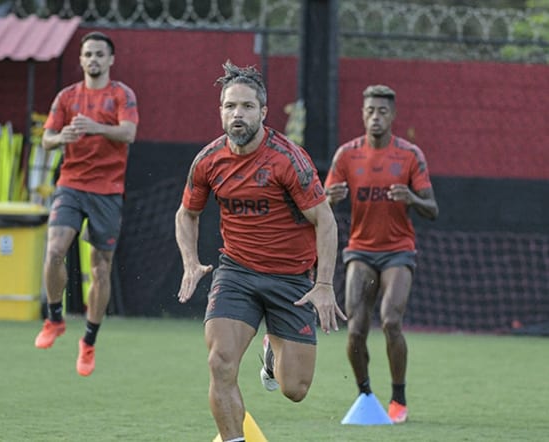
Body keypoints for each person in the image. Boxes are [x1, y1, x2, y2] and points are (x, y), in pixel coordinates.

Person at [175, 61, 345, 442]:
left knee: (295, 390)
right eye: (230, 106)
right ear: (220, 111)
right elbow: (187, 214)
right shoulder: (207, 160)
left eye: (247, 107)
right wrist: (190, 262)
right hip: (236, 272)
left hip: (291, 278)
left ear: (263, 112)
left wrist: (324, 284)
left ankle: (272, 350)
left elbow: (326, 221)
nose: (238, 114)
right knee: (220, 363)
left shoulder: (288, 159)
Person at [324, 84, 438, 424]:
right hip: (359, 250)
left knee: (390, 319)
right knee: (356, 329)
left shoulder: (410, 155)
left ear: (393, 116)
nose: (376, 117)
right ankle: (365, 394)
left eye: (382, 112)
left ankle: (398, 398)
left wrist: (413, 199)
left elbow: (432, 208)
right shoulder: (346, 155)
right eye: (370, 111)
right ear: (362, 114)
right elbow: (321, 205)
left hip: (398, 251)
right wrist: (331, 198)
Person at [33, 31, 138, 377]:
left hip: (107, 190)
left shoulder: (121, 94)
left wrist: (94, 127)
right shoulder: (67, 97)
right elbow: (47, 138)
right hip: (71, 185)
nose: (93, 59)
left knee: (100, 269)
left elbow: (128, 133)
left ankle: (89, 342)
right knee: (54, 250)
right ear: (80, 60)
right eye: (87, 54)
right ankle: (54, 317)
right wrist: (60, 136)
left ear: (110, 60)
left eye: (99, 54)